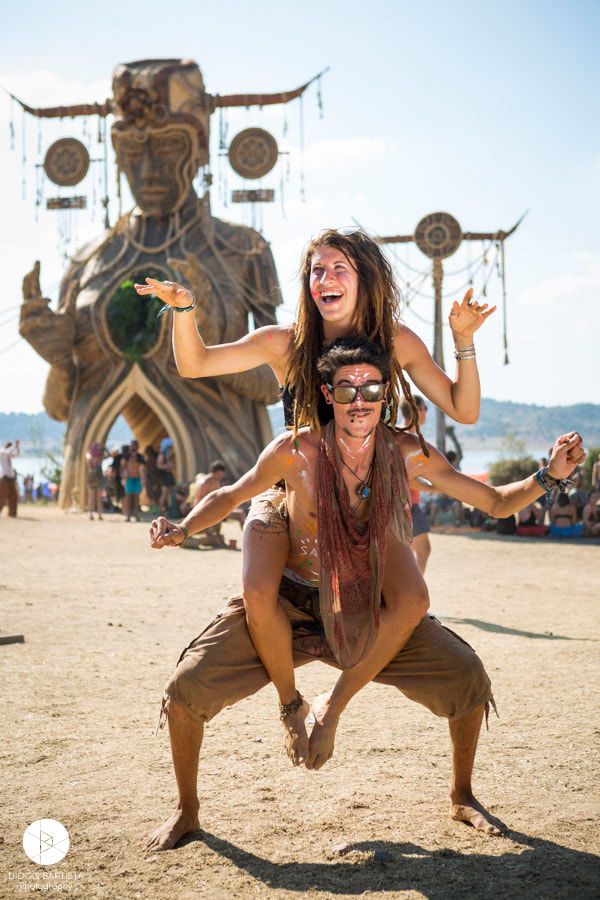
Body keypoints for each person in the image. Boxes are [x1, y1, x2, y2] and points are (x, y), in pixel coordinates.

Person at [146, 338, 584, 852]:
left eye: (371, 387)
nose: (360, 399)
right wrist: (182, 527)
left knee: (466, 678)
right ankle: (187, 809)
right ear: (327, 394)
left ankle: (461, 794)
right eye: (347, 388)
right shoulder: (295, 451)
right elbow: (230, 495)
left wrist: (549, 476)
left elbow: (493, 501)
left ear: (385, 395)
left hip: (362, 607)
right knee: (186, 689)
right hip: (285, 607)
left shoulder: (405, 454)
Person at [136, 228, 495, 744]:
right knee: (257, 588)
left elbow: (465, 409)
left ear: (365, 279)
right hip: (289, 495)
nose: (324, 279)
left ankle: (344, 701)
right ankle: (289, 702)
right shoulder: (283, 343)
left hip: (363, 501)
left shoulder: (397, 342)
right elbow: (195, 364)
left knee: (413, 599)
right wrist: (185, 308)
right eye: (316, 270)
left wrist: (463, 340)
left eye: (338, 268)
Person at [400, 395, 431, 571]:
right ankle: (412, 593)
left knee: (411, 554)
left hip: (406, 505)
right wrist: (434, 487)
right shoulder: (409, 439)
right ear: (416, 410)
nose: (426, 412)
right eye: (425, 407)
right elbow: (408, 478)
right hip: (409, 505)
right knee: (423, 550)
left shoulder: (401, 435)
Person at [121, 439, 145, 522]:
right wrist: (123, 478)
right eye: (131, 446)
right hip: (129, 478)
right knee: (128, 497)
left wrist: (142, 478)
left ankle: (136, 515)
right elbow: (123, 466)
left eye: (133, 446)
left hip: (137, 478)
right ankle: (128, 515)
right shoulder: (126, 456)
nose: (132, 447)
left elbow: (142, 468)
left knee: (136, 498)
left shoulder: (140, 457)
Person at [85, 442, 106, 520]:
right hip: (96, 477)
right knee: (96, 498)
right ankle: (97, 514)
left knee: (93, 497)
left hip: (94, 477)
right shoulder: (98, 457)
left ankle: (92, 514)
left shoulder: (89, 456)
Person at [0, 440, 20, 518]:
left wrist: (17, 447)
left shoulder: (8, 454)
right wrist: (15, 445)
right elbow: (7, 451)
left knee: (13, 496)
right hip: (4, 478)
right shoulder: (2, 453)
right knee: (2, 496)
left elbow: (17, 454)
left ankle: (12, 512)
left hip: (11, 478)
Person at [157, 438, 176, 516]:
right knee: (164, 493)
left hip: (168, 475)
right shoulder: (162, 454)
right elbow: (159, 465)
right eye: (170, 447)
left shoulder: (168, 454)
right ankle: (160, 510)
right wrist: (166, 466)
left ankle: (170, 509)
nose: (171, 449)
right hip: (164, 476)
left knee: (171, 492)